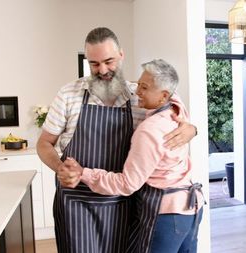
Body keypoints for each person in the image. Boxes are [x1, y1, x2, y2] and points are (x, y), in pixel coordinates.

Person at [36, 28, 197, 253]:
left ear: (121, 55)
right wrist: (61, 168)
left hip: (123, 203)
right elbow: (44, 143)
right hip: (76, 203)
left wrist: (191, 128)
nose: (102, 70)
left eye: (108, 61)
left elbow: (169, 98)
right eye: (94, 64)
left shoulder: (138, 96)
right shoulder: (68, 94)